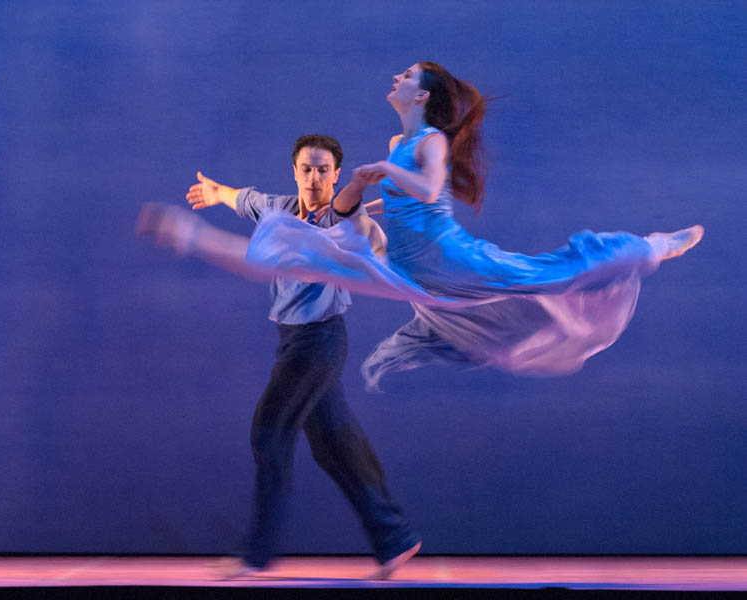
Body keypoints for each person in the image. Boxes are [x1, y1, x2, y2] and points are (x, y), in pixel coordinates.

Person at [240, 61, 704, 389]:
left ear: (421, 95)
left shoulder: (430, 141)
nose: (396, 77)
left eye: (406, 76)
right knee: (368, 268)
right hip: (409, 267)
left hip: (448, 256)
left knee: (547, 272)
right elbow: (403, 201)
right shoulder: (400, 139)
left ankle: (650, 247)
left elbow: (426, 189)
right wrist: (373, 197)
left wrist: (383, 169)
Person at [138, 135, 420, 578]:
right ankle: (395, 538)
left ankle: (256, 554)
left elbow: (363, 228)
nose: (314, 177)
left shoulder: (343, 218)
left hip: (319, 343)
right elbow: (246, 200)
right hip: (295, 341)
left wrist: (377, 203)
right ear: (295, 172)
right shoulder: (282, 210)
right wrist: (217, 193)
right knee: (335, 446)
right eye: (306, 169)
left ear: (335, 175)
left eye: (323, 169)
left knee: (269, 435)